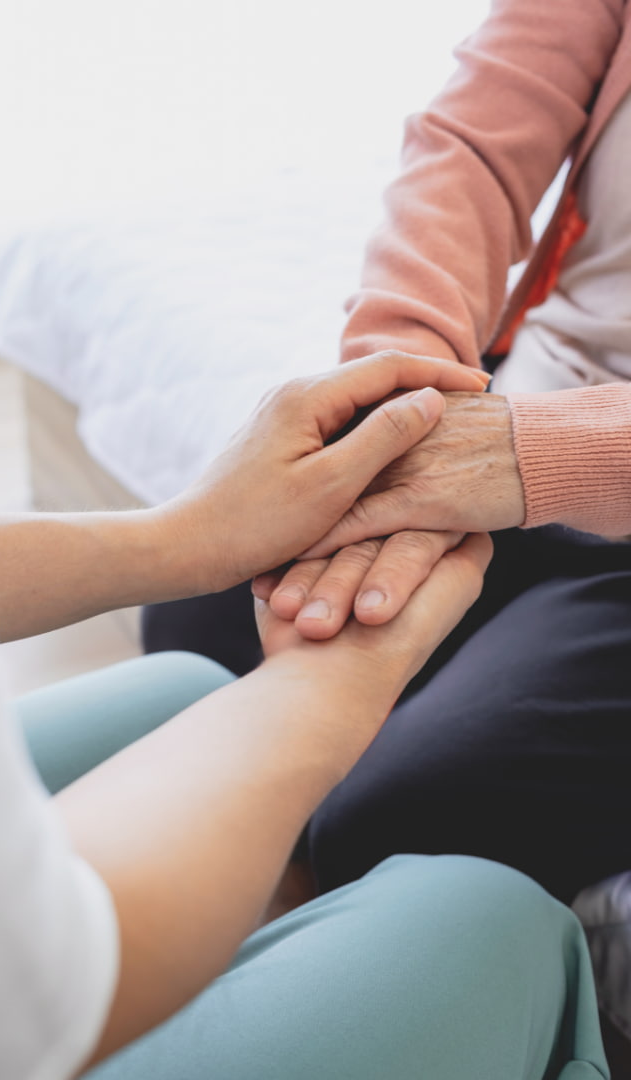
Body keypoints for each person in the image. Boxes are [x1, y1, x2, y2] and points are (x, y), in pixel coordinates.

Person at [142, 0, 631, 917]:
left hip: (567, 465)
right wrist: (404, 405)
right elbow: (471, 150)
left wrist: (534, 456)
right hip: (513, 404)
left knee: (399, 815)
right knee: (198, 618)